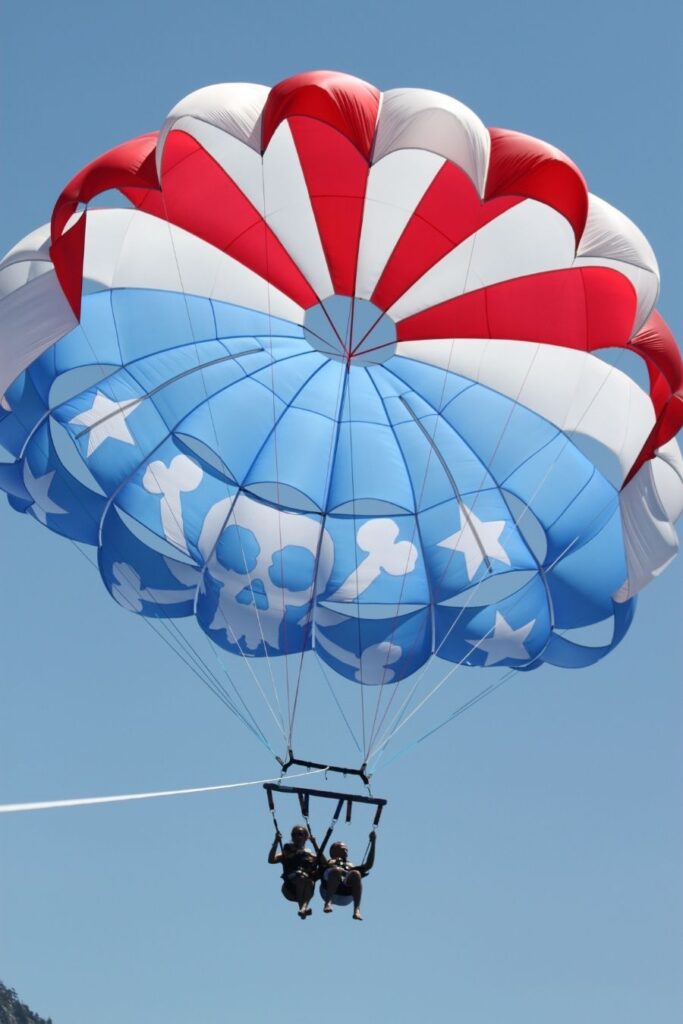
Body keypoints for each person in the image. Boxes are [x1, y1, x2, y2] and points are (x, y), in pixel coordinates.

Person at [319, 831, 376, 921]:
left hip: (346, 895)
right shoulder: (328, 862)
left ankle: (357, 909)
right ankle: (327, 903)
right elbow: (320, 860)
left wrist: (373, 842)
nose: (346, 850)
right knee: (335, 871)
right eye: (343, 848)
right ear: (333, 850)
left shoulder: (351, 866)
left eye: (346, 849)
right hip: (327, 891)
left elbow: (368, 865)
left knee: (356, 874)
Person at [268, 824, 321, 919]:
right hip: (290, 888)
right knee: (301, 877)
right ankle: (302, 908)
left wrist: (315, 844)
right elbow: (271, 860)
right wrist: (276, 841)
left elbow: (324, 863)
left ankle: (303, 910)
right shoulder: (287, 851)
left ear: (306, 837)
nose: (297, 837)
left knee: (309, 880)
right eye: (294, 834)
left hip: (307, 888)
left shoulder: (310, 855)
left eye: (300, 834)